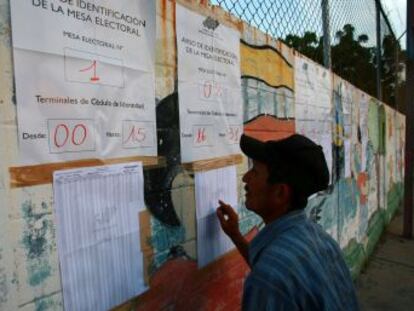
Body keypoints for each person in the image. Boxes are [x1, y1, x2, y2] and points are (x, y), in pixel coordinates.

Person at [216, 134, 359, 310]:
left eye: (255, 172)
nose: (245, 178)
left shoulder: (268, 280)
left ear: (280, 194)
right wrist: (236, 235)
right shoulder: (321, 240)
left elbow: (272, 275)